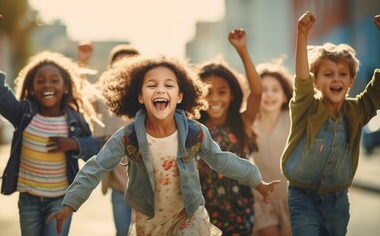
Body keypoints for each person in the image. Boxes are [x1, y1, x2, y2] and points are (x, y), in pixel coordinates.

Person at [46, 54, 280, 235]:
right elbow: (97, 166)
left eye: (169, 85)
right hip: (149, 219)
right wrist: (70, 203)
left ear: (179, 96)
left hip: (188, 215)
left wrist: (257, 182)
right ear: (140, 96)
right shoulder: (129, 137)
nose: (160, 89)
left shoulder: (193, 132)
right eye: (152, 85)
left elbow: (222, 160)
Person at [0, 13, 102, 236]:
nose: (47, 85)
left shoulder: (74, 119)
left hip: (61, 200)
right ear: (31, 87)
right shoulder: (23, 114)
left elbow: (96, 148)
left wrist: (72, 144)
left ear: (65, 87)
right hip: (28, 200)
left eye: (54, 80)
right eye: (40, 80)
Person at [282, 11, 380, 236]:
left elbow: (377, 90)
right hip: (302, 196)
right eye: (328, 74)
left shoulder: (357, 110)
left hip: (337, 200)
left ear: (351, 81)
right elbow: (301, 80)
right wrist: (302, 34)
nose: (336, 79)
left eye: (342, 74)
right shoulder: (306, 106)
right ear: (316, 81)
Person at [196, 28, 261, 235]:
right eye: (207, 93)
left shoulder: (242, 122)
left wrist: (242, 50)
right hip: (203, 210)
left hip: (239, 209)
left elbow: (257, 92)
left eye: (222, 92)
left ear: (232, 95)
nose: (214, 99)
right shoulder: (193, 127)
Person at [77, 42, 140, 236]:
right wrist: (82, 63)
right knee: (123, 232)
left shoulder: (148, 96)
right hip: (120, 188)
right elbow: (80, 97)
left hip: (149, 190)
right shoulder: (105, 98)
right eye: (119, 65)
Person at [251, 59, 293, 236]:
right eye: (264, 89)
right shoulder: (249, 121)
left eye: (275, 90)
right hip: (261, 200)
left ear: (284, 96)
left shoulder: (292, 118)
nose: (268, 94)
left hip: (291, 199)